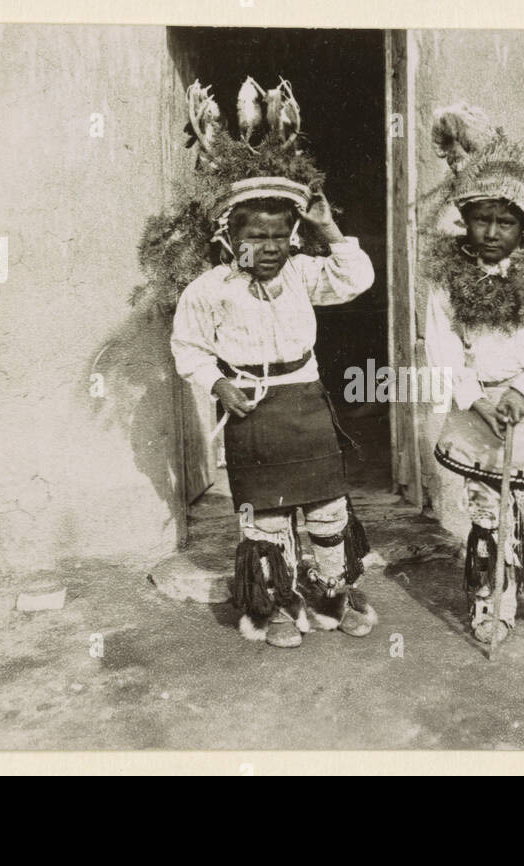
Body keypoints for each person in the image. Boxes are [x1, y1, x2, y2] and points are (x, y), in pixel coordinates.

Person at [168, 78, 376, 649]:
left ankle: (331, 591)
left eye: (280, 236)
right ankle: (278, 602)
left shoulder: (305, 272)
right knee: (270, 517)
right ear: (226, 235)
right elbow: (188, 346)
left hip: (304, 401)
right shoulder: (211, 289)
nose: (269, 248)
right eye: (255, 237)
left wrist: (328, 229)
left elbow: (358, 278)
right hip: (252, 410)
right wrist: (217, 385)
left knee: (328, 508)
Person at [422, 103, 524, 650]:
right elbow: (443, 345)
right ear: (464, 219)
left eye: (506, 221)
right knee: (489, 515)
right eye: (480, 219)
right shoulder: (448, 277)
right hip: (477, 412)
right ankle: (494, 603)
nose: (492, 232)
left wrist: (523, 391)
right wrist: (474, 398)